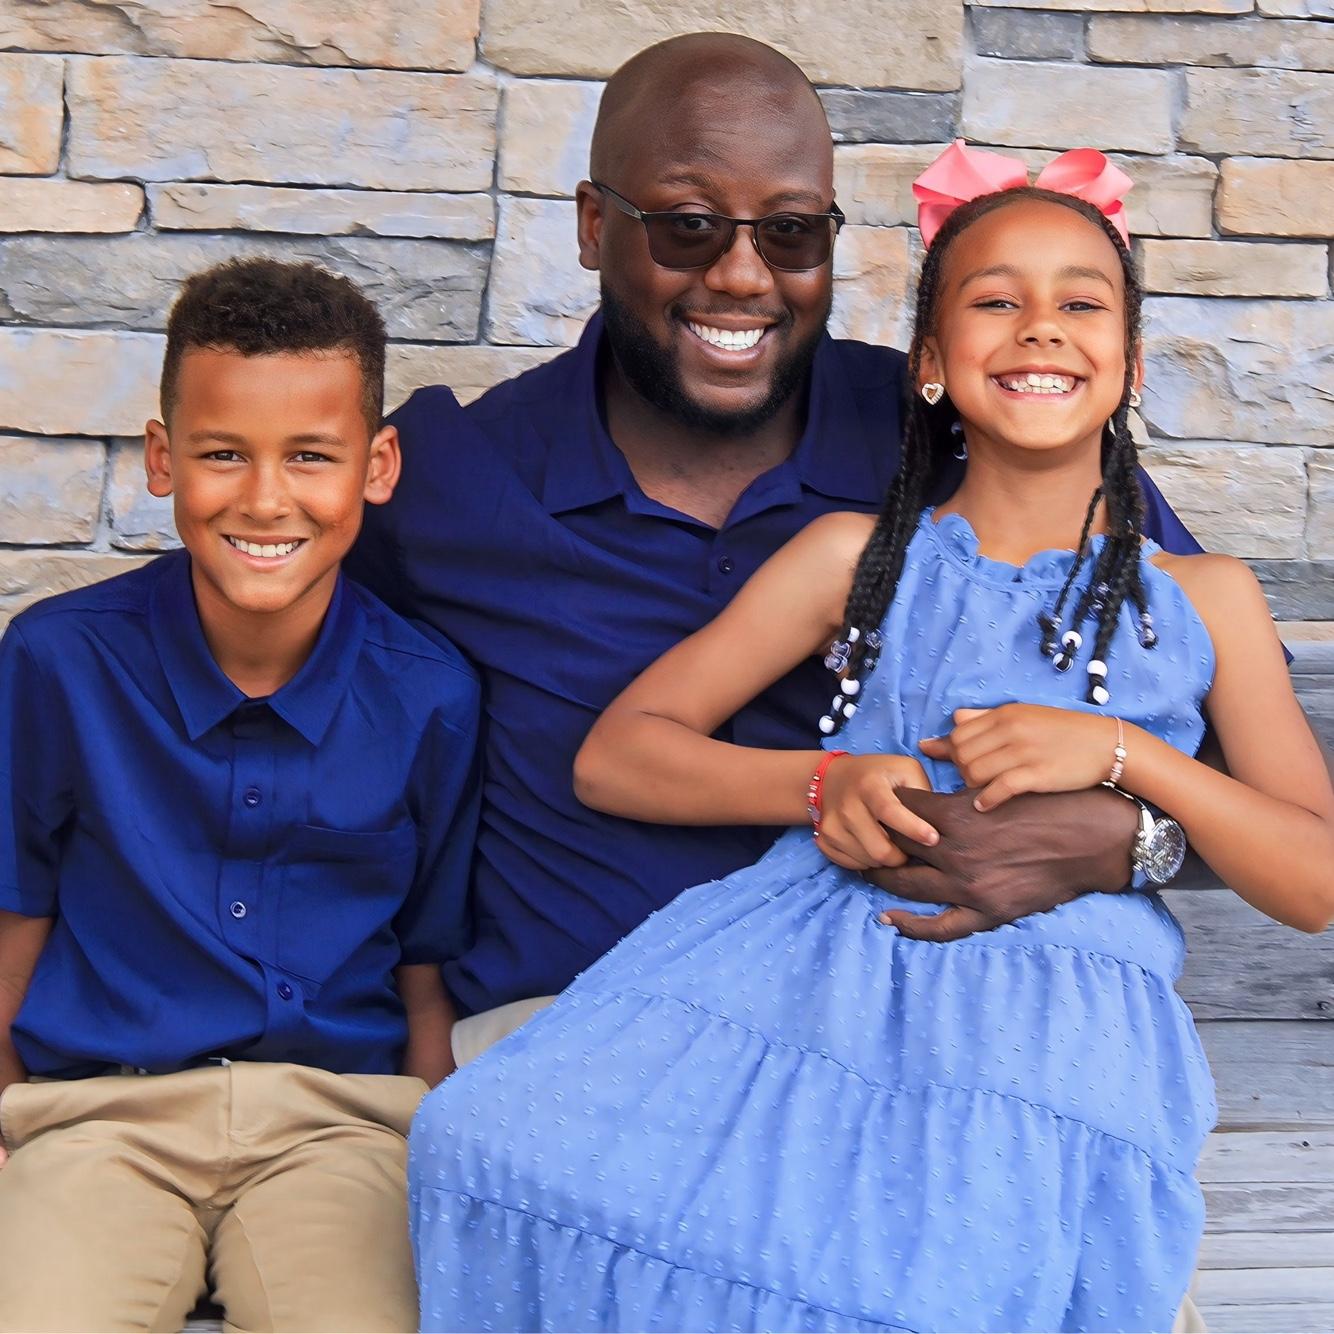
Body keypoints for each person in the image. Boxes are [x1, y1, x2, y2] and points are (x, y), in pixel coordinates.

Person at [406, 145, 1334, 1332]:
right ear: (930, 365)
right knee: (486, 1141)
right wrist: (822, 781)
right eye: (994, 302)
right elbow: (619, 752)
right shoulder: (855, 558)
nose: (1039, 328)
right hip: (815, 964)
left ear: (1131, 363)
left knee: (925, 1267)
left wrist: (1123, 755)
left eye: (1079, 304)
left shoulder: (1206, 596)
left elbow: (1312, 880)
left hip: (1052, 1016)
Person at [345, 33, 1205, 1066]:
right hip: (562, 1040)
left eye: (791, 232)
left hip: (898, 1047)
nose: (743, 275)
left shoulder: (975, 441)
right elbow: (274, 692)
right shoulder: (450, 473)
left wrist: (1129, 838)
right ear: (593, 226)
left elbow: (1236, 767)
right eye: (688, 226)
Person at [0, 259, 478, 1332]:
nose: (265, 498)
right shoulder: (57, 661)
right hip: (98, 1122)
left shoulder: (429, 694)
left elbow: (424, 969)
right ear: (162, 458)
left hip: (336, 1131)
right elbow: (12, 924)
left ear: (376, 465)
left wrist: (439, 1151)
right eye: (224, 453)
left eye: (310, 455)